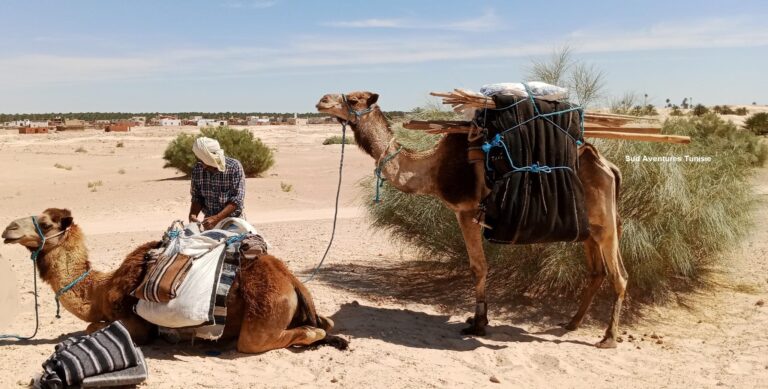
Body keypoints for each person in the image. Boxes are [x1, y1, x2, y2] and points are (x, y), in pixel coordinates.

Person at [189, 137, 246, 230]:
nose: (202, 165)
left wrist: (217, 218)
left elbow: (237, 199)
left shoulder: (234, 167)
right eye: (200, 160)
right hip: (209, 222)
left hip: (233, 221)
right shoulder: (197, 169)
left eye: (203, 161)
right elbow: (197, 196)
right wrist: (193, 215)